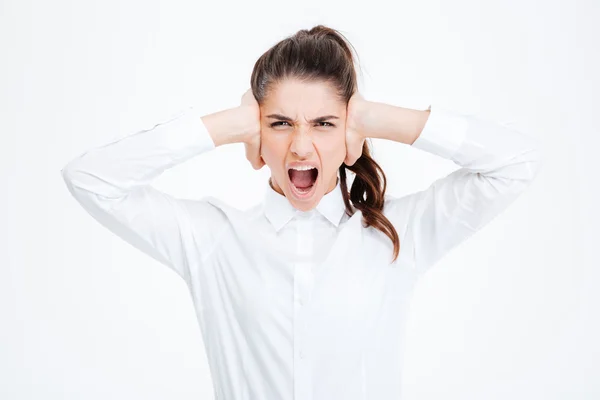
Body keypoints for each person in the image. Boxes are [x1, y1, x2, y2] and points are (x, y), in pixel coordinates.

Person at [61, 25, 542, 400]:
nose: (301, 145)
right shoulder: (212, 238)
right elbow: (91, 178)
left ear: (349, 134)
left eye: (324, 124)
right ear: (258, 134)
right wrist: (229, 125)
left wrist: (378, 119)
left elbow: (515, 163)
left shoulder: (398, 236)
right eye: (280, 123)